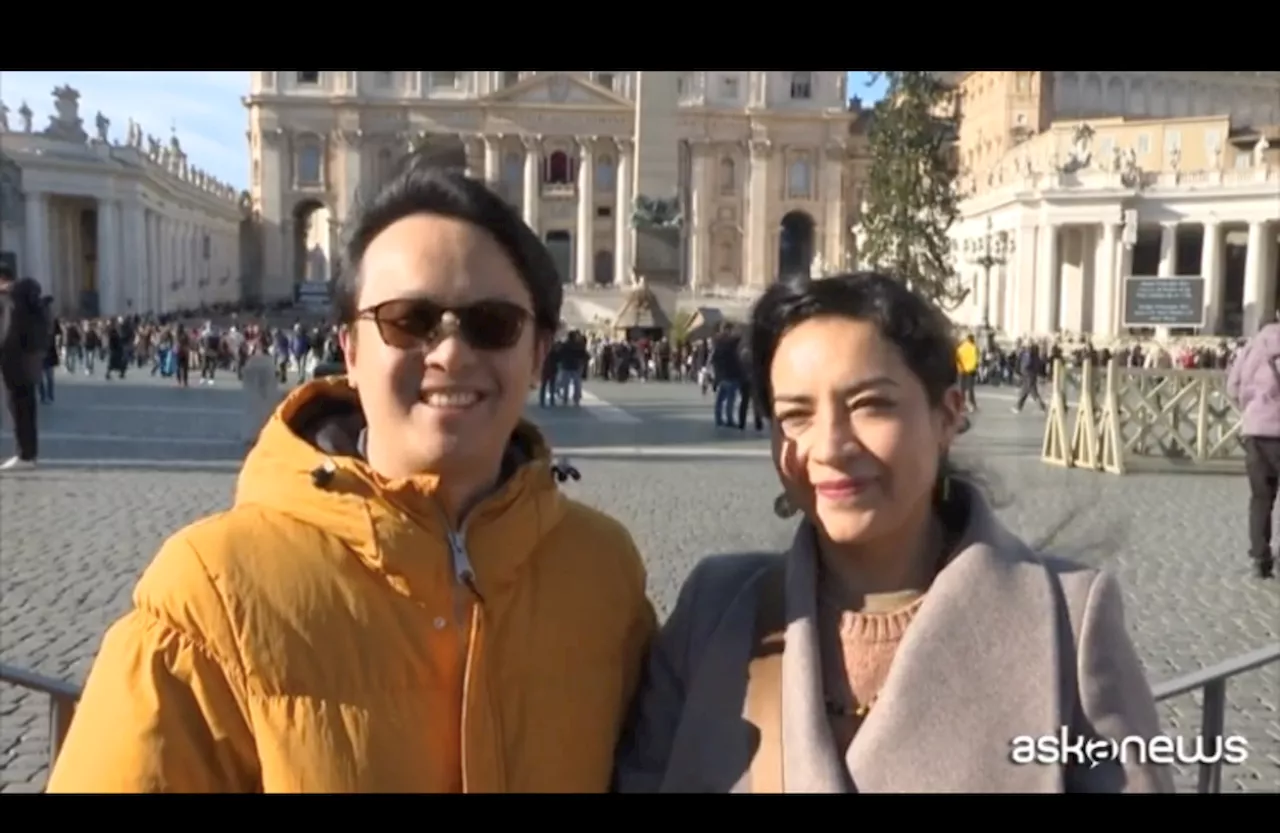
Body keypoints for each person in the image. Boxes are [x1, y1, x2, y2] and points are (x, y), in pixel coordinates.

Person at [48, 161, 655, 792]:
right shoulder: (209, 593)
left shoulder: (603, 570)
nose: (450, 353)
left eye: (492, 324)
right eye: (409, 321)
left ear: (537, 354)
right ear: (351, 349)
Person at [615, 272, 1171, 793]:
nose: (831, 447)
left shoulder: (1070, 623)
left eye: (870, 405)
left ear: (948, 415)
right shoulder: (712, 610)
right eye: (796, 415)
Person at [1226, 311, 1280, 580]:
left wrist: (1251, 410)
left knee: (1261, 498)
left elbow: (1233, 387)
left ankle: (1260, 557)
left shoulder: (1251, 348)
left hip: (1257, 432)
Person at [0, 270, 50, 471]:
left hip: (13, 358)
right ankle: (29, 453)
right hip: (29, 356)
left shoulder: (13, 298)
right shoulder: (30, 295)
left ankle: (25, 454)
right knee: (26, 405)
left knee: (17, 405)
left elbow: (9, 330)